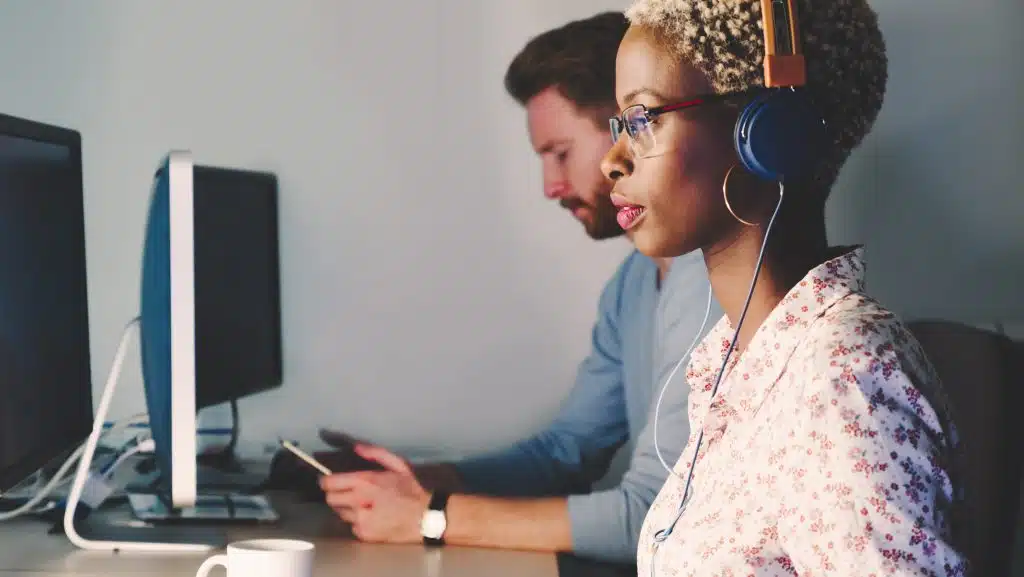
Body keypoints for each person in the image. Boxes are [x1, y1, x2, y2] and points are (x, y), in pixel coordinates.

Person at [317, 12, 717, 563]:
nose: (551, 186)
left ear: (630, 128)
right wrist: (428, 482)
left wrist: (432, 516)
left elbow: (655, 517)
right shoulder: (634, 282)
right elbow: (565, 453)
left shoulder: (714, 280)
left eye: (560, 153)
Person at [599, 0, 969, 575]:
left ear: (768, 135)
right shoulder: (736, 362)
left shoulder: (844, 372)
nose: (613, 160)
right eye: (620, 125)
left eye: (643, 118)